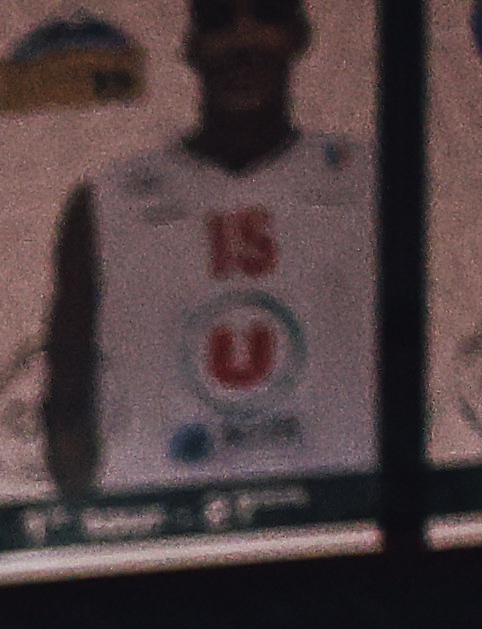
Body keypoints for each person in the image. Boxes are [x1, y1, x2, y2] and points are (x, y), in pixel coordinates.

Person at [38, 0, 375, 507]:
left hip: (335, 528)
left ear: (298, 35)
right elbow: (66, 393)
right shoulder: (109, 203)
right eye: (218, 21)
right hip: (171, 539)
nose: (242, 41)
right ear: (190, 47)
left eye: (265, 16)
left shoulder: (369, 183)